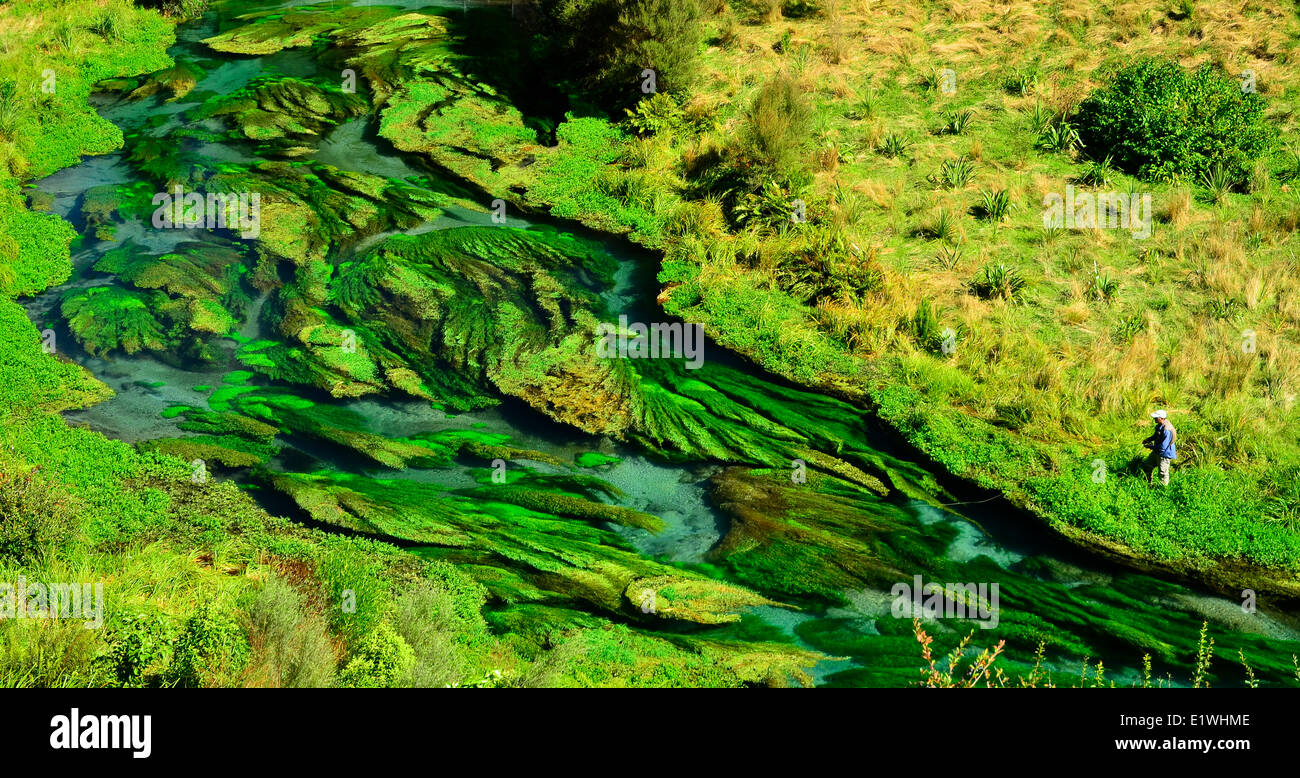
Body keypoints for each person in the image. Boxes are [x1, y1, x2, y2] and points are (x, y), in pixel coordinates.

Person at [1142, 410, 1177, 486]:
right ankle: (1148, 483)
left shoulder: (1167, 430)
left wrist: (1150, 447)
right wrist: (1148, 439)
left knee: (1162, 472)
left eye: (1156, 417)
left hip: (1164, 454)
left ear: (1161, 418)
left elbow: (1163, 447)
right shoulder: (1160, 425)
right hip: (1157, 451)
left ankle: (1163, 489)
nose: (1154, 418)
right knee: (1147, 464)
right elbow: (1156, 436)